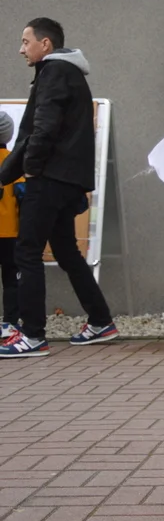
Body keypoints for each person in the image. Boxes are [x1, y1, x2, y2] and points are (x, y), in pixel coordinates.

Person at [0, 18, 117, 359]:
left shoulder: (53, 74)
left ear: (45, 44)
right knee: (66, 251)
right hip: (67, 181)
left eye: (25, 41)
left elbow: (43, 128)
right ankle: (100, 320)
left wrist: (30, 170)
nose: (21, 49)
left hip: (49, 179)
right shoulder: (71, 75)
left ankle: (32, 335)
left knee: (27, 252)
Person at [0, 111, 22, 337]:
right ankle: (10, 323)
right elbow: (24, 196)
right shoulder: (14, 162)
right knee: (11, 279)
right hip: (9, 231)